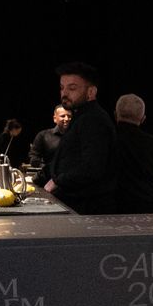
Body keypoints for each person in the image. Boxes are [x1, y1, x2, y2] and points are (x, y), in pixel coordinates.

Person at [44, 62, 115, 214]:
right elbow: (66, 159)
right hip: (77, 206)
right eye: (62, 87)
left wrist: (56, 182)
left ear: (91, 92)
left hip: (87, 211)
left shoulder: (94, 119)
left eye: (72, 88)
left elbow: (92, 168)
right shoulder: (81, 116)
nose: (64, 93)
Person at [111, 93, 153, 214]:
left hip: (113, 209)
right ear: (143, 118)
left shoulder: (107, 139)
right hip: (147, 208)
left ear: (115, 114)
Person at [27, 106, 68, 170]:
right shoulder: (43, 135)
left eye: (69, 116)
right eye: (63, 116)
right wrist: (49, 168)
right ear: (55, 119)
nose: (67, 119)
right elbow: (33, 158)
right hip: (50, 177)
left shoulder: (78, 135)